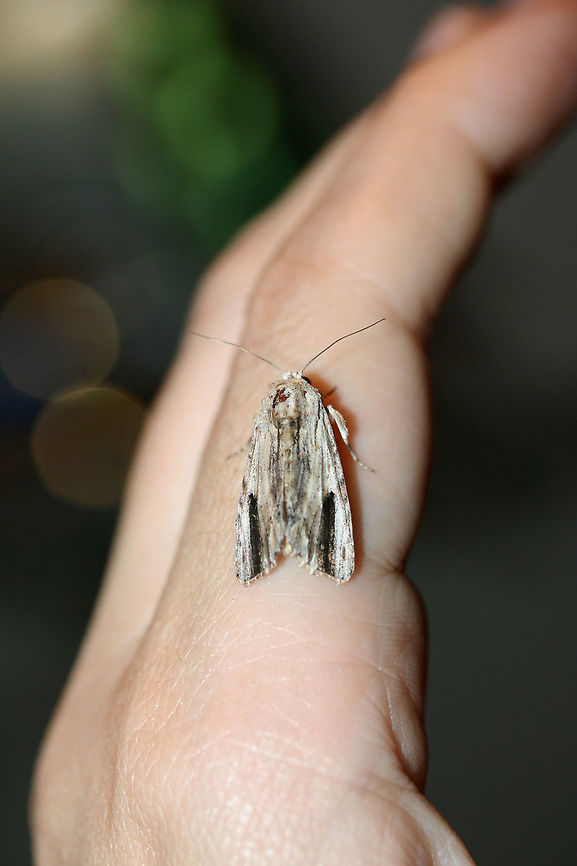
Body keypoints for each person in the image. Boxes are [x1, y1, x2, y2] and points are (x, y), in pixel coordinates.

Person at [31, 1, 577, 862]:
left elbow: (279, 453)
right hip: (297, 468)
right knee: (296, 511)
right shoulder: (310, 410)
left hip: (281, 466)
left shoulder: (288, 412)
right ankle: (288, 549)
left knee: (280, 507)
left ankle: (282, 550)